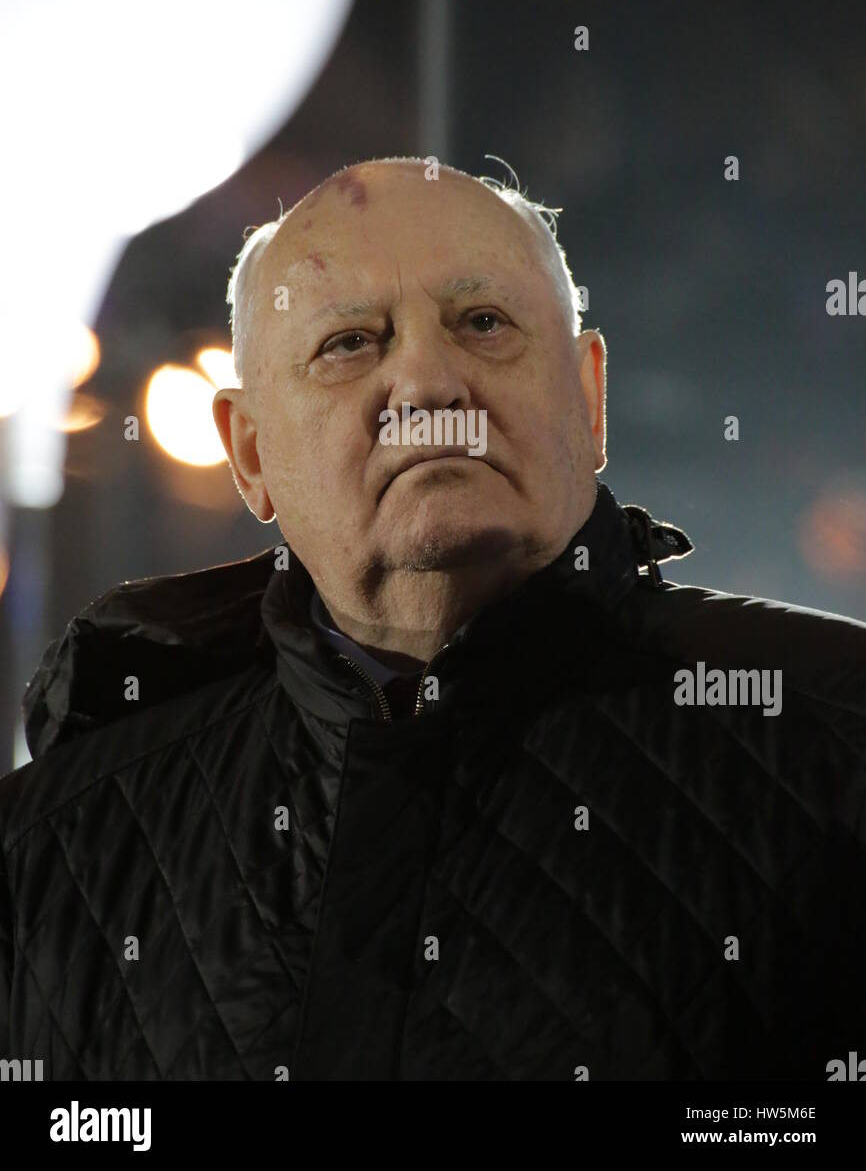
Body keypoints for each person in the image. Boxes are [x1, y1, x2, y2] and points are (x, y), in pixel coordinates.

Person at [1, 156, 864, 1081]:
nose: (426, 385)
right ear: (248, 452)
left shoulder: (840, 741)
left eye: (483, 324)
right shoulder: (49, 847)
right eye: (349, 344)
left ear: (589, 396)